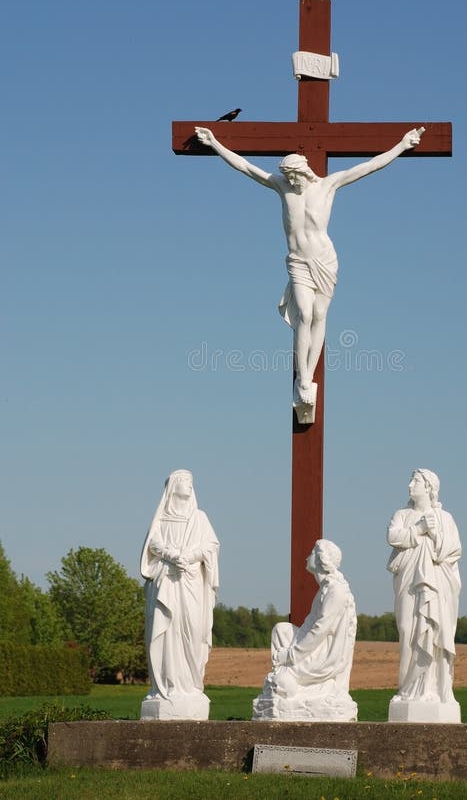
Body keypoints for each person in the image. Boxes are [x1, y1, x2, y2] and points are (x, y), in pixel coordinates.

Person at [195, 125, 424, 408]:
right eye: (288, 177)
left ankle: (310, 374)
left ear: (305, 171)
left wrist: (402, 145)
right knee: (303, 313)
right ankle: (303, 378)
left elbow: (370, 166)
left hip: (324, 259)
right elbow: (246, 167)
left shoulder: (329, 185)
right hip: (298, 261)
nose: (293, 182)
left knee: (318, 314)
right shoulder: (282, 187)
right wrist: (215, 143)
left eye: (295, 177)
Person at [140, 469, 219, 720]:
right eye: (183, 480)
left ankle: (190, 686)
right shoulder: (162, 519)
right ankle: (167, 687)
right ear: (173, 486)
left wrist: (192, 556)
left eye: (191, 481)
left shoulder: (200, 518)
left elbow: (211, 546)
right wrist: (173, 555)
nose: (188, 484)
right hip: (167, 581)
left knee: (192, 631)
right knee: (167, 631)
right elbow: (153, 543)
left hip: (191, 582)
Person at [252, 539, 357, 721]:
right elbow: (310, 624)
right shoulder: (325, 588)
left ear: (321, 560)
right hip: (312, 644)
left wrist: (291, 655)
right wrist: (292, 645)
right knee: (281, 630)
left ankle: (286, 680)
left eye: (312, 553)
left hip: (324, 655)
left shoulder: (336, 591)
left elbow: (320, 630)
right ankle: (284, 676)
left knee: (282, 681)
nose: (307, 557)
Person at [386, 469, 461, 712]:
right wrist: (418, 529)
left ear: (429, 487)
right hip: (408, 583)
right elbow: (392, 536)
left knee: (433, 632)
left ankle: (434, 689)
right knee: (408, 630)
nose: (410, 485)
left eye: (415, 481)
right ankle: (408, 689)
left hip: (436, 586)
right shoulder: (402, 514)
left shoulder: (445, 518)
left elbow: (453, 549)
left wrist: (434, 532)